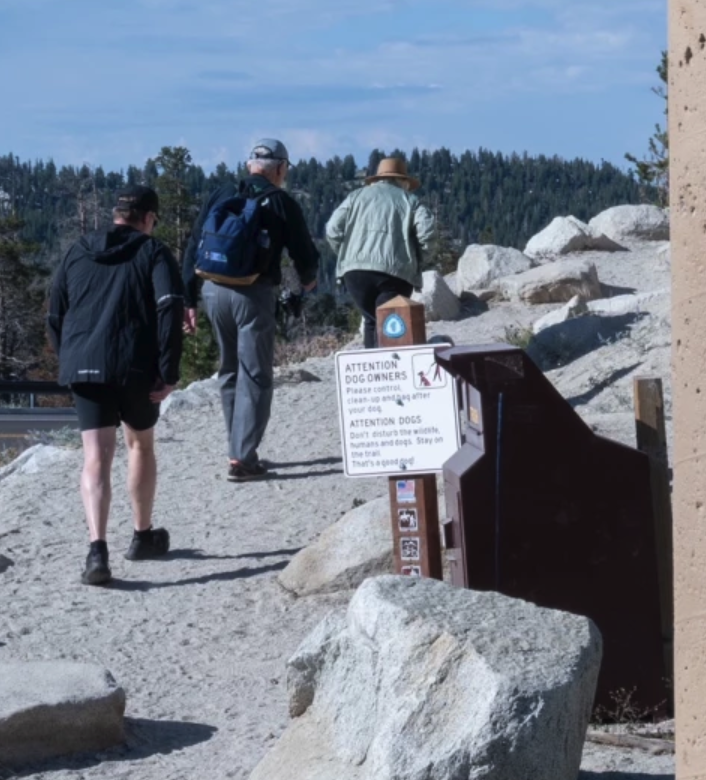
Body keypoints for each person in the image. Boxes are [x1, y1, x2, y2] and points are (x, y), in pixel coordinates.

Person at [47, 184, 188, 586]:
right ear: (148, 218)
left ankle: (97, 550)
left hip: (84, 365)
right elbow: (169, 309)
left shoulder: (78, 250)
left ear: (116, 215)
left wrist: (70, 357)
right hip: (135, 367)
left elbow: (55, 311)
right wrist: (169, 370)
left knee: (95, 456)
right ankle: (142, 536)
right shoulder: (153, 252)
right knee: (139, 443)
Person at [194, 139, 321, 482]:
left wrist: (186, 297)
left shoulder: (222, 194)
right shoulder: (280, 202)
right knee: (256, 375)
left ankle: (237, 447)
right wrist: (308, 282)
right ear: (280, 168)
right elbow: (303, 253)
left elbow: (195, 243)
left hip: (213, 290)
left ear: (250, 165)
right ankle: (243, 458)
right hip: (253, 293)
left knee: (229, 370)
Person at [322, 154, 442, 348]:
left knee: (371, 320)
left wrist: (348, 256)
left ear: (378, 178)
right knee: (393, 322)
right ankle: (392, 370)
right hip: (395, 273)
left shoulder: (355, 197)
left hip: (355, 273)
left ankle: (374, 370)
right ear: (403, 180)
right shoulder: (410, 201)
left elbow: (332, 229)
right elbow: (428, 233)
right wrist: (419, 259)